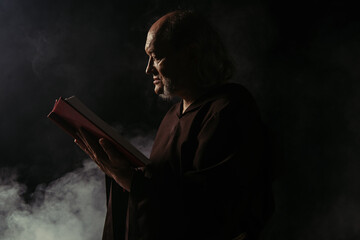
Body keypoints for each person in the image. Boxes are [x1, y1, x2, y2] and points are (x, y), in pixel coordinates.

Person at [76, 10, 274, 240]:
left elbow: (212, 206)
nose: (148, 68)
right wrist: (120, 170)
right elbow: (162, 186)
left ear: (191, 54)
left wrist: (131, 180)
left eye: (156, 56)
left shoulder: (230, 108)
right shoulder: (172, 116)